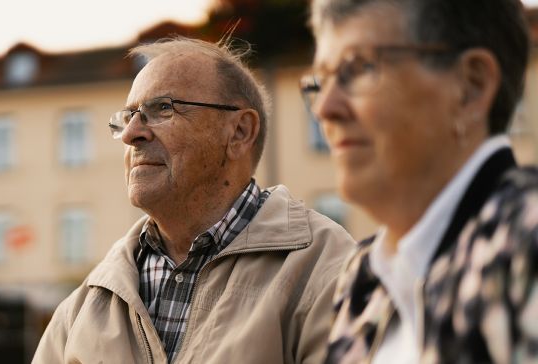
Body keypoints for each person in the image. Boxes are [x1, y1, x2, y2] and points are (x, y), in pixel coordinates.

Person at [32, 37, 355, 364]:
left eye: (162, 108)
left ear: (240, 132)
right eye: (128, 116)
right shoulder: (84, 305)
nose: (131, 134)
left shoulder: (328, 270)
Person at [300, 0, 536, 362]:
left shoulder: (526, 238)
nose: (324, 109)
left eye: (359, 67)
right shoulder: (363, 281)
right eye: (322, 81)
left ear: (470, 86)